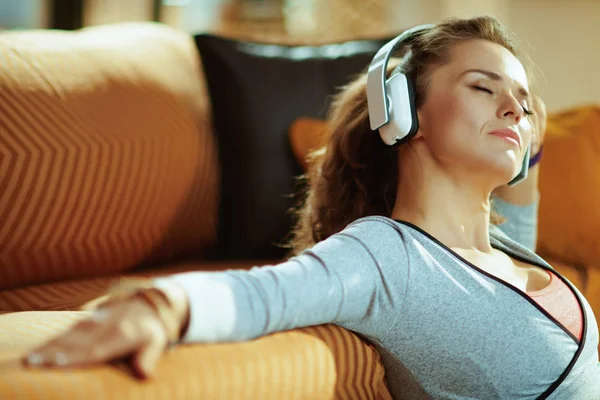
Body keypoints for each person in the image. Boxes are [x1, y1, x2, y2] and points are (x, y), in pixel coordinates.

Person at [22, 16, 599, 399]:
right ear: (403, 111)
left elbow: (524, 193)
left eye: (522, 102)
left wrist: (528, 128)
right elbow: (266, 293)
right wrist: (161, 305)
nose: (514, 110)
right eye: (483, 87)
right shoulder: (386, 257)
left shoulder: (504, 244)